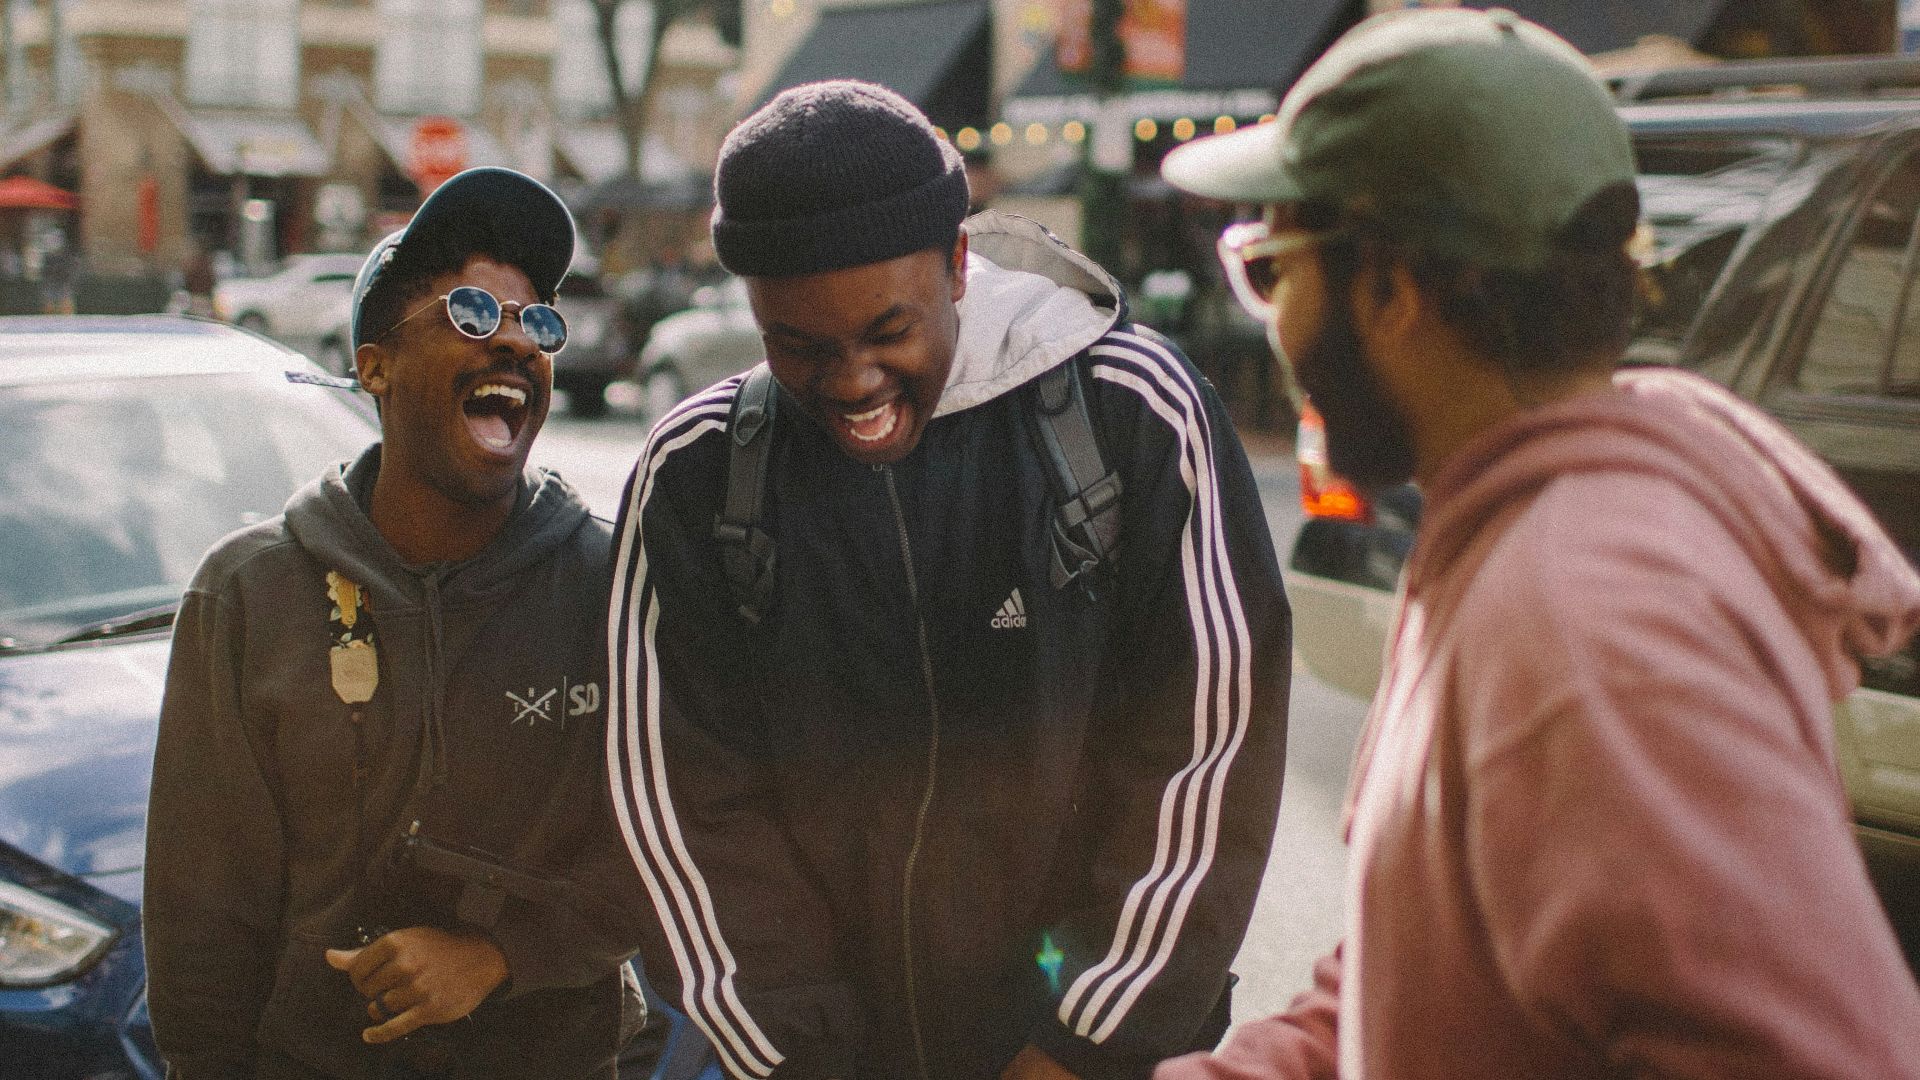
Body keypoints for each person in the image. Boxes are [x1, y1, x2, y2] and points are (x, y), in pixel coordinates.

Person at [1156, 9, 1920, 1078]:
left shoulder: (1583, 623)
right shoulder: (1521, 543)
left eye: (1272, 267)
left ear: (1392, 288)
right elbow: (1419, 975)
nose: (1271, 320)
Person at [607, 81, 1291, 1080]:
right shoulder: (697, 473)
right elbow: (679, 807)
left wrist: (1081, 1044)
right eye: (799, 345)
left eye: (889, 332)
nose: (852, 382)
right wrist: (800, 1054)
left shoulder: (1133, 411)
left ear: (959, 265)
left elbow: (1208, 753)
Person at [145, 167, 643, 1080]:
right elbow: (202, 920)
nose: (515, 344)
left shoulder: (611, 578)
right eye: (469, 315)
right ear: (374, 367)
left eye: (536, 323)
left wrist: (502, 956)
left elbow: (678, 847)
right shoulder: (249, 594)